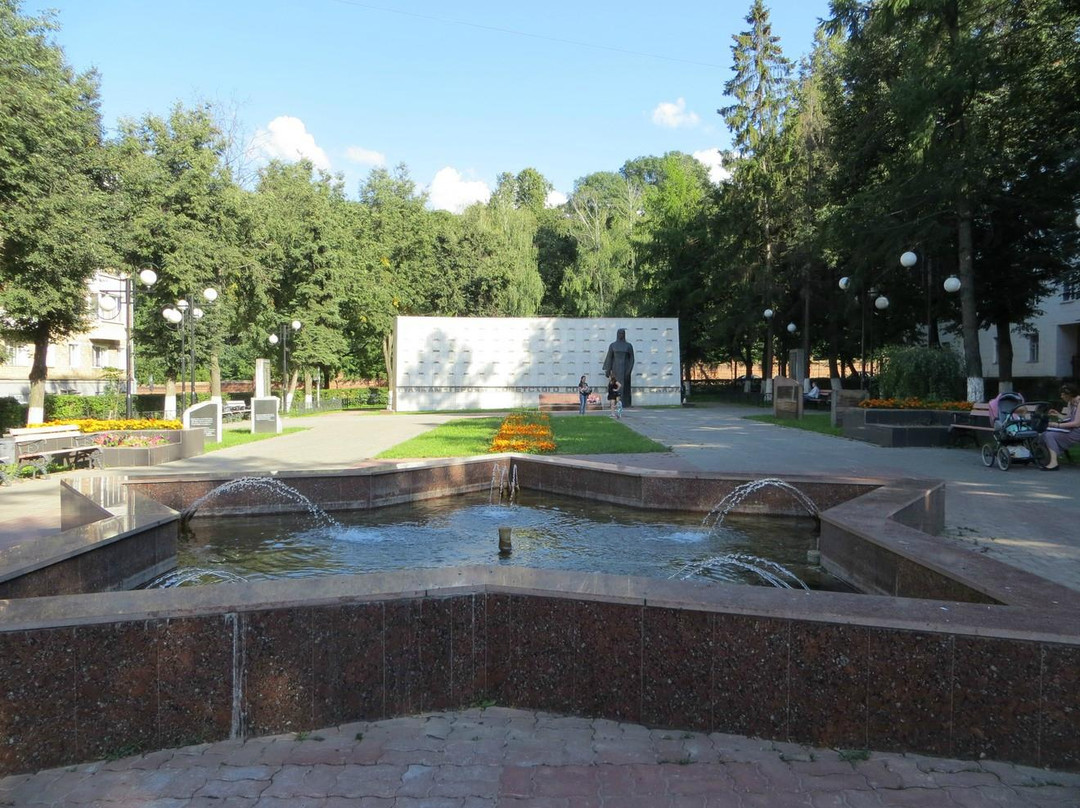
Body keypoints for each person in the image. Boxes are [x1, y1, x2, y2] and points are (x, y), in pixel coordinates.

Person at [1042, 382, 1080, 471]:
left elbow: (1077, 423)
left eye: (1063, 395)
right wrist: (1058, 415)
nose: (1061, 397)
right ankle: (1052, 459)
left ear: (1069, 394)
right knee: (1046, 433)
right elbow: (1069, 418)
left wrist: (1057, 425)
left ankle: (1054, 463)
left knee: (1049, 435)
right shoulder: (1071, 403)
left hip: (1077, 432)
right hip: (1073, 430)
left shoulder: (1079, 403)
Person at [602, 328, 635, 408]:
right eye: (619, 333)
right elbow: (609, 357)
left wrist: (629, 370)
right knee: (614, 386)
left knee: (625, 386)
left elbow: (632, 359)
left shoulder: (628, 345)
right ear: (617, 334)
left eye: (622, 333)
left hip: (625, 369)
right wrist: (607, 369)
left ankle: (625, 403)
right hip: (615, 369)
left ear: (624, 334)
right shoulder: (613, 345)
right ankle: (614, 403)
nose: (621, 335)